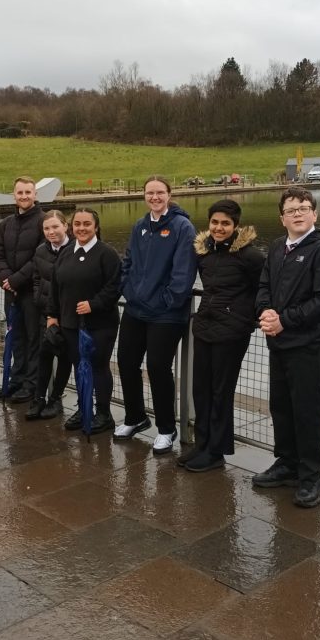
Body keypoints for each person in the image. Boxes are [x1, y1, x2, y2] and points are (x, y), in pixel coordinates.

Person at [253, 186, 320, 507]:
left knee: (307, 410)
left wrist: (284, 320)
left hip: (308, 344)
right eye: (292, 210)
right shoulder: (278, 248)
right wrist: (264, 312)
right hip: (278, 343)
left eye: (304, 208)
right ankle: (287, 463)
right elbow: (264, 286)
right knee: (281, 406)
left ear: (314, 214)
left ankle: (310, 476)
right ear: (282, 218)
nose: (299, 213)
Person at [179, 199, 265, 472]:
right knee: (200, 389)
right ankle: (201, 445)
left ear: (235, 225)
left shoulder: (251, 256)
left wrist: (246, 318)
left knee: (220, 392)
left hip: (232, 332)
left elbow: (263, 290)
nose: (219, 228)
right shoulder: (204, 252)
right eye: (215, 222)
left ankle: (216, 452)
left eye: (225, 223)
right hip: (205, 326)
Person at [114, 175, 197, 454]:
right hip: (136, 308)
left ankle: (166, 428)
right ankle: (136, 418)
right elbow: (128, 263)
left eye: (160, 192)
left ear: (169, 195)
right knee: (126, 362)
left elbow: (183, 273)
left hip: (166, 313)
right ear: (144, 196)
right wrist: (129, 290)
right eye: (150, 193)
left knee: (158, 368)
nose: (155, 197)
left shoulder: (182, 227)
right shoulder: (140, 226)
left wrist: (167, 300)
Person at [47, 208, 121, 434]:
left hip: (100, 323)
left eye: (87, 224)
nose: (82, 228)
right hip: (70, 323)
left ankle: (103, 413)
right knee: (79, 367)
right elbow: (55, 287)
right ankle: (83, 408)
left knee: (98, 367)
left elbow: (115, 286)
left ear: (96, 226)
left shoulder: (107, 254)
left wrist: (94, 304)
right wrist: (52, 316)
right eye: (77, 224)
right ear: (71, 227)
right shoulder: (66, 253)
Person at [0, 177, 45, 403]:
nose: (24, 196)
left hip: (31, 291)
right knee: (16, 337)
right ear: (14, 195)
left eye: (28, 192)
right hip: (10, 291)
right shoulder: (6, 224)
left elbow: (40, 257)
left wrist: (16, 280)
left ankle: (31, 385)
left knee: (34, 338)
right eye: (20, 192)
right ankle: (15, 380)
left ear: (34, 194)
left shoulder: (44, 221)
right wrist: (6, 279)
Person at [25, 210, 73, 420]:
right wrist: (39, 299)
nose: (51, 232)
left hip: (69, 314)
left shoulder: (75, 249)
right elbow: (36, 278)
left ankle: (55, 399)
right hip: (47, 312)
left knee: (65, 357)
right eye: (47, 228)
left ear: (65, 226)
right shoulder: (40, 251)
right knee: (44, 355)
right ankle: (38, 398)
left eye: (55, 227)